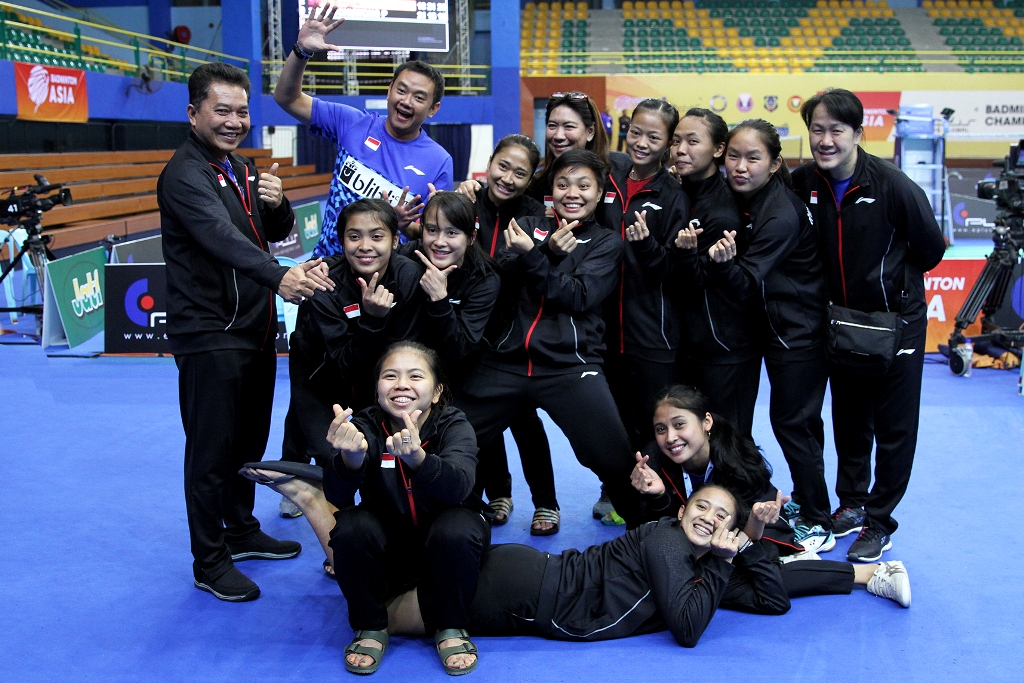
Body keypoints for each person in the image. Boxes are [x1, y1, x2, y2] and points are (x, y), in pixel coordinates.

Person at [158, 62, 334, 601]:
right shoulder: (185, 174)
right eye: (222, 110)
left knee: (248, 442)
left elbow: (267, 235)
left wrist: (277, 207)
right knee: (210, 453)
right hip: (209, 331)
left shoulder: (236, 167)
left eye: (242, 111)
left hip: (254, 328)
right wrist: (281, 277)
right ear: (194, 114)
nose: (235, 121)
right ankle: (209, 561)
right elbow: (219, 239)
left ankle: (240, 530)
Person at [792, 89, 946, 562]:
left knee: (895, 428)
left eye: (837, 130)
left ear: (858, 133)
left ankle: (879, 521)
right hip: (840, 324)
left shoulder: (894, 186)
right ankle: (853, 503)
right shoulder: (803, 183)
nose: (825, 139)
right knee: (850, 419)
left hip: (896, 323)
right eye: (817, 129)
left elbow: (931, 250)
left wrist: (891, 289)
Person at [460, 149, 641, 532]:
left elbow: (578, 295)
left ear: (598, 193)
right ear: (551, 190)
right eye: (562, 184)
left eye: (583, 185)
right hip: (504, 362)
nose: (571, 193)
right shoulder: (526, 223)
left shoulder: (607, 243)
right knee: (449, 440)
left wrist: (537, 258)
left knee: (616, 458)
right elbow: (500, 274)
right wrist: (543, 251)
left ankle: (650, 531)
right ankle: (439, 526)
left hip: (569, 366)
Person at [626, 384, 912, 607]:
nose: (670, 438)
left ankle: (872, 574)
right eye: (661, 429)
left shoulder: (737, 462)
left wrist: (758, 522)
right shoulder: (654, 465)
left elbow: (747, 540)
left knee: (747, 581)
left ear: (706, 422)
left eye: (679, 424)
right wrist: (657, 497)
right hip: (696, 547)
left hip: (752, 539)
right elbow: (652, 532)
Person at [703, 119, 833, 553]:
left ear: (775, 164)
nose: (740, 167)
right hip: (774, 329)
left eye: (753, 158)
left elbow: (745, 282)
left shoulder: (780, 214)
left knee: (793, 424)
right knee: (791, 423)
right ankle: (792, 501)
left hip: (798, 332)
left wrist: (720, 263)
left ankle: (819, 518)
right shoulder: (754, 200)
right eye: (734, 156)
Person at [323, 341, 488, 675]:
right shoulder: (366, 425)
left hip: (447, 542)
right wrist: (349, 458)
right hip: (391, 547)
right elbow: (337, 496)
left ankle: (450, 624)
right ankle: (371, 625)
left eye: (415, 376)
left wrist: (418, 459)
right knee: (351, 526)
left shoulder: (455, 425)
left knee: (457, 529)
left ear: (437, 391)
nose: (401, 384)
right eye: (390, 376)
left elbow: (458, 486)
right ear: (377, 389)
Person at [278, 199, 425, 523]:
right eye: (354, 236)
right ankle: (304, 486)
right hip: (320, 371)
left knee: (380, 446)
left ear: (395, 240)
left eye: (377, 236)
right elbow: (342, 366)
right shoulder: (325, 283)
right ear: (341, 240)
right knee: (324, 444)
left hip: (377, 372)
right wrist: (372, 320)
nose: (365, 246)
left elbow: (407, 349)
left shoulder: (410, 276)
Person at [274, 3, 453, 255]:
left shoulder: (439, 161)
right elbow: (287, 98)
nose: (406, 101)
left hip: (386, 283)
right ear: (389, 90)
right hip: (325, 272)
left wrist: (402, 225)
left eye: (419, 97)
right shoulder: (351, 122)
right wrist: (301, 51)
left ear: (433, 109)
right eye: (401, 90)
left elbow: (435, 235)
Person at [454, 135, 559, 532]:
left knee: (525, 421)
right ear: (490, 162)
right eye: (503, 166)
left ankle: (546, 502)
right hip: (469, 331)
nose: (508, 178)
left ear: (531, 177)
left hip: (514, 337)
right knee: (481, 418)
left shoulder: (535, 214)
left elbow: (529, 271)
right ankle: (498, 492)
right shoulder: (467, 202)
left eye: (521, 172)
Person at [602, 99, 690, 465]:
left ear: (669, 143)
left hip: (653, 334)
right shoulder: (609, 181)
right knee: (614, 422)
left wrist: (649, 246)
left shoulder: (674, 195)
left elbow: (676, 269)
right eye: (635, 132)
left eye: (653, 137)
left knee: (654, 422)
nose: (640, 142)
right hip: (605, 332)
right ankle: (618, 492)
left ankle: (661, 501)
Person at [670, 108, 752, 416]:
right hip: (691, 344)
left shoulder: (720, 212)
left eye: (692, 141)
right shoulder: (681, 191)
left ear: (718, 149)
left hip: (722, 346)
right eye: (676, 141)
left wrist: (682, 253)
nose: (680, 149)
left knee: (726, 439)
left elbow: (696, 282)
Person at [397, 191, 501, 387]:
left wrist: (440, 300)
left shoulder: (484, 278)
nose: (439, 242)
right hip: (404, 365)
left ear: (471, 237)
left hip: (457, 375)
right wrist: (324, 267)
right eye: (432, 230)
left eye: (452, 233)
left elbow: (459, 350)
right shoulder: (409, 256)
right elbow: (366, 261)